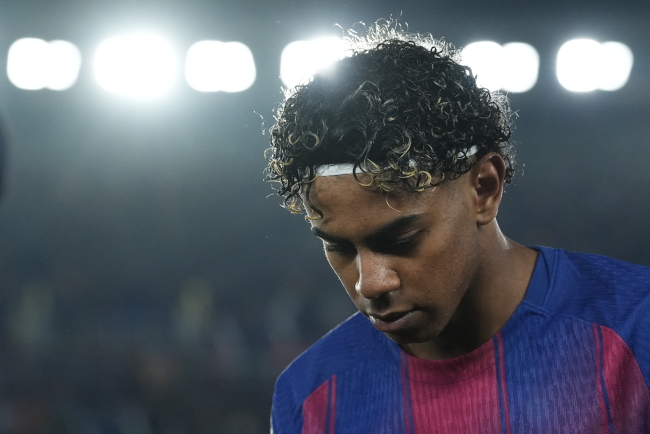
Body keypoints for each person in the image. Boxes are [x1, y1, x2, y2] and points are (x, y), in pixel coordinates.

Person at [265, 22, 650, 433]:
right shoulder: (308, 398)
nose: (371, 284)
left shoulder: (637, 327)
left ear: (484, 188)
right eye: (339, 247)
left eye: (401, 239)